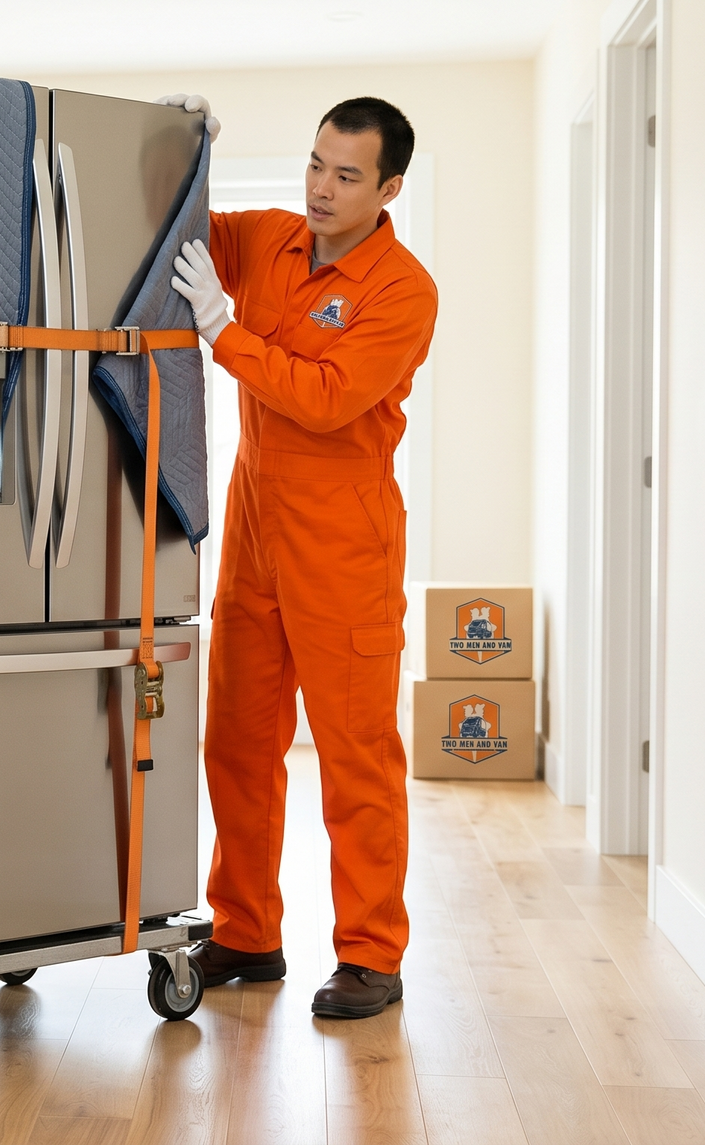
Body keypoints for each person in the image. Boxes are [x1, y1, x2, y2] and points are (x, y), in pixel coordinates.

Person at [163, 94, 439, 1018]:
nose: (321, 188)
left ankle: (371, 953)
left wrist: (223, 333)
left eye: (346, 175)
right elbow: (183, 224)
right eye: (316, 164)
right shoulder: (275, 240)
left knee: (355, 754)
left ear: (388, 187)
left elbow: (323, 397)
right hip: (255, 526)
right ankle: (247, 931)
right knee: (238, 738)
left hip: (343, 542)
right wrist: (182, 146)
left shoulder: (403, 290)